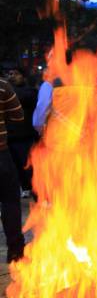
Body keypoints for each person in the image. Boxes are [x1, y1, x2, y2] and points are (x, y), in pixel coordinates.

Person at [0, 78, 26, 262]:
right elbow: (18, 116)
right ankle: (16, 251)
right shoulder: (2, 85)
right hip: (1, 154)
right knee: (10, 202)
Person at [7, 67, 37, 197]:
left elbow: (20, 97)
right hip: (10, 137)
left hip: (25, 137)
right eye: (11, 73)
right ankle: (23, 187)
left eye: (16, 74)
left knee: (28, 166)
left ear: (23, 77)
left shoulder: (30, 91)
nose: (13, 76)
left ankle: (33, 189)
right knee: (14, 167)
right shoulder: (9, 91)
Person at [32, 67, 54, 135]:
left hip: (54, 128)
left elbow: (43, 106)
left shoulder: (47, 85)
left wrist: (39, 126)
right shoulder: (75, 80)